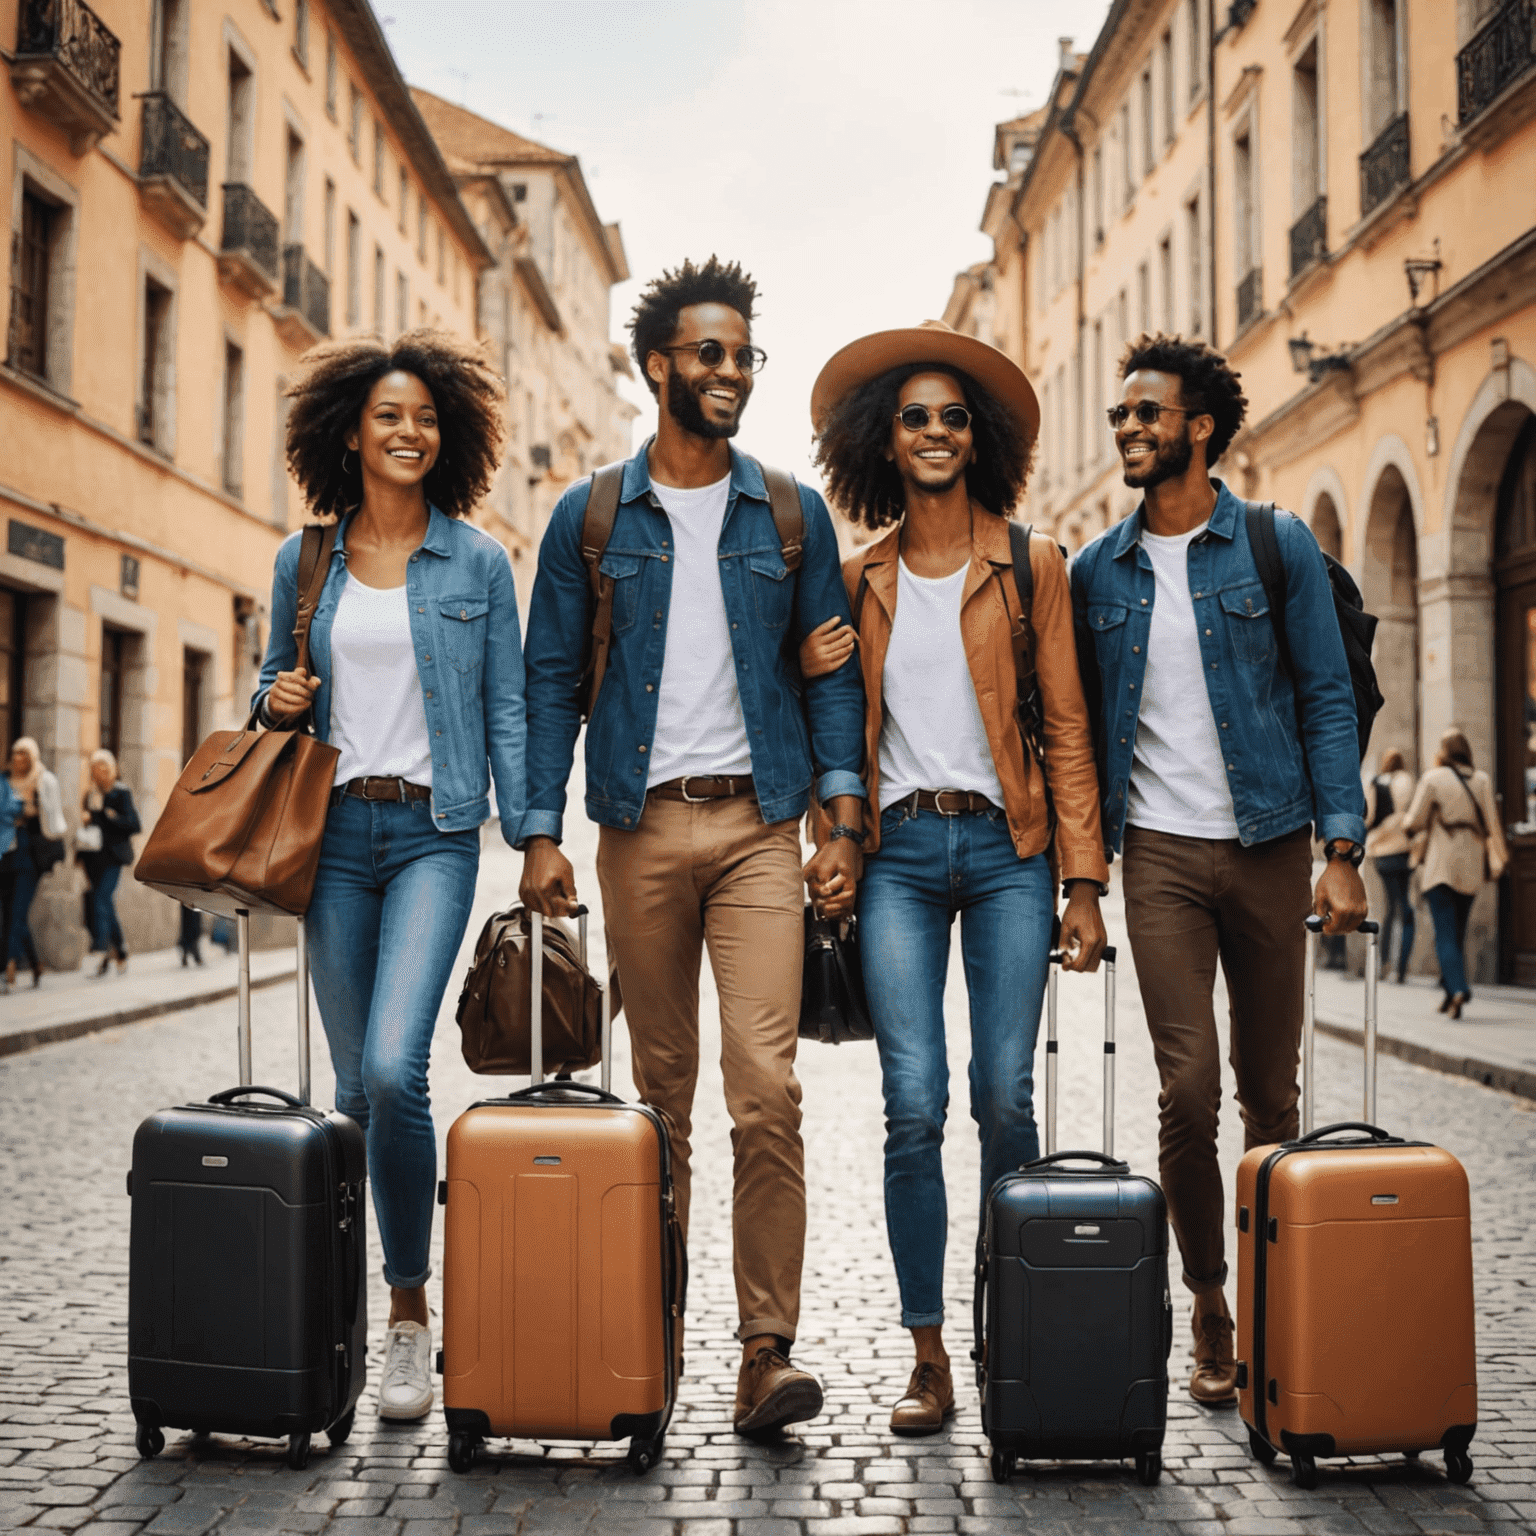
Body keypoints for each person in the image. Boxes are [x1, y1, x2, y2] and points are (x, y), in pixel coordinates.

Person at [519, 257, 867, 1439]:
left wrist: (841, 814)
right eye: (708, 354)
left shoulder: (788, 510)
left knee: (765, 1090)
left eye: (743, 356)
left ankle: (765, 1352)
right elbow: (550, 680)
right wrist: (536, 833)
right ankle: (650, 1339)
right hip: (639, 829)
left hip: (761, 828)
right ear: (657, 364)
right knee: (658, 1099)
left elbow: (832, 668)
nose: (729, 373)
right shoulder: (594, 515)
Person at [803, 321, 1108, 1435]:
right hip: (895, 863)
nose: (935, 432)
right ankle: (929, 1352)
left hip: (1009, 859)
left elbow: (1069, 730)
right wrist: (828, 820)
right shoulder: (854, 579)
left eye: (953, 417)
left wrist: (1082, 882)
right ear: (883, 442)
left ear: (977, 442)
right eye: (914, 417)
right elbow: (829, 726)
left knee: (1005, 1095)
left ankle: (1011, 1326)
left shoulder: (1032, 566)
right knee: (913, 1104)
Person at [1070, 333, 1367, 1407]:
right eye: (1121, 417)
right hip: (1155, 855)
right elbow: (1071, 729)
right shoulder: (1094, 571)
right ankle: (1208, 1301)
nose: (1127, 431)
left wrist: (1342, 848)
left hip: (1273, 843)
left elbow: (1327, 699)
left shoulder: (1275, 548)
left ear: (1199, 426)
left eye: (1147, 415)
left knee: (1270, 1098)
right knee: (1188, 1088)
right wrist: (1085, 879)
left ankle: (1279, 1306)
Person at [254, 330, 523, 1424]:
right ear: (348, 434)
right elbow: (277, 679)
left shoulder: (480, 562)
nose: (408, 431)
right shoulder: (302, 560)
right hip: (331, 840)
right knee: (351, 1089)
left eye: (424, 417)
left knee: (397, 1065)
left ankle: (412, 1316)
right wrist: (273, 695)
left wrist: (540, 836)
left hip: (431, 836)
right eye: (387, 417)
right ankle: (342, 1313)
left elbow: (507, 704)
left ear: (445, 434)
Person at [1402, 729, 1508, 1019]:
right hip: (1471, 865)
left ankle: (1458, 988)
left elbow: (1413, 821)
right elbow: (1491, 822)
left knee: (1445, 933)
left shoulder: (1433, 778)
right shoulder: (1482, 779)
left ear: (1444, 751)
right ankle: (1451, 994)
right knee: (1457, 932)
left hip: (1441, 866)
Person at [3, 737, 67, 990]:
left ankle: (9, 968)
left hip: (30, 856)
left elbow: (53, 819)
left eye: (24, 753)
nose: (18, 757)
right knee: (10, 913)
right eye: (15, 752)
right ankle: (36, 963)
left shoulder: (44, 780)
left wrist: (31, 809)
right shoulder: (4, 781)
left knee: (17, 911)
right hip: (5, 852)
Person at [79, 748, 140, 976]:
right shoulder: (90, 794)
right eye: (96, 768)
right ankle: (121, 950)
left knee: (101, 898)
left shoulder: (121, 793)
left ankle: (100, 949)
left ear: (112, 769)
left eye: (105, 767)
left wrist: (110, 816)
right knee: (104, 903)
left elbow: (134, 824)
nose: (101, 772)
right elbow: (89, 827)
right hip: (93, 856)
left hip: (114, 856)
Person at [1365, 747, 1417, 982]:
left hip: (1383, 851)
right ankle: (1401, 967)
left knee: (1388, 908)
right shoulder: (1408, 781)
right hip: (1404, 850)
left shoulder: (1377, 782)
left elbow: (1369, 816)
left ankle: (1385, 963)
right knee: (1405, 908)